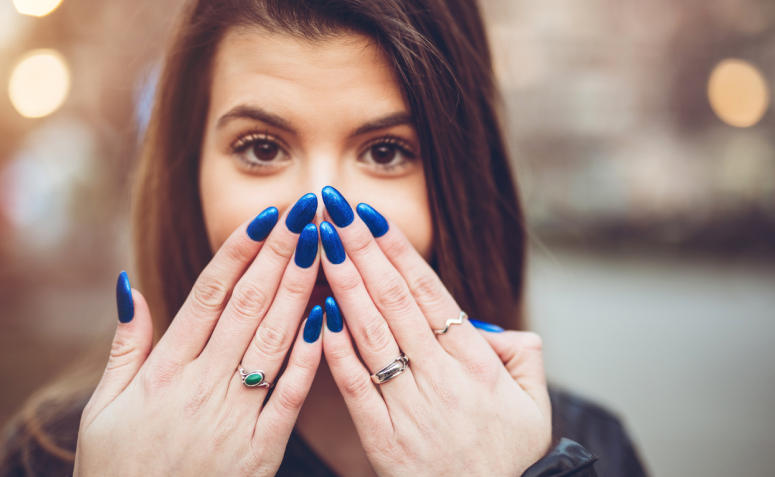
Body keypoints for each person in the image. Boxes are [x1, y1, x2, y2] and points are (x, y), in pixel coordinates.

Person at [0, 0, 647, 475]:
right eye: (260, 147)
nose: (317, 208)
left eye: (387, 151)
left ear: (459, 184)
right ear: (187, 171)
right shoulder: (64, 453)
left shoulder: (581, 448)